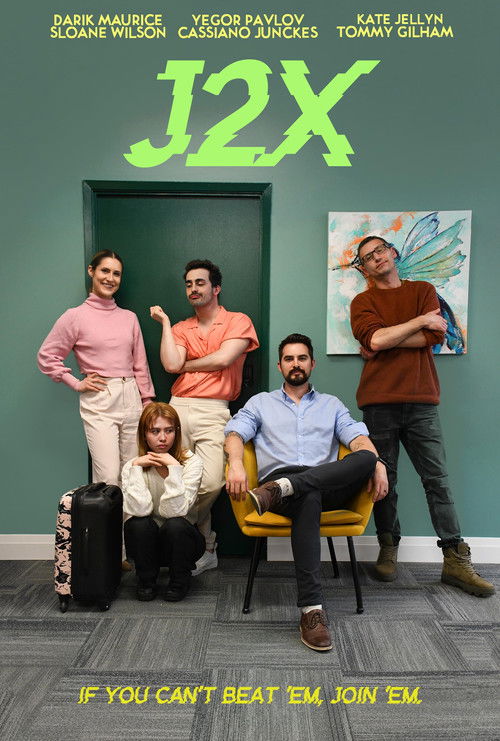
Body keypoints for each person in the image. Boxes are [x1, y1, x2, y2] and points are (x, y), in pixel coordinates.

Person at [350, 236, 494, 596]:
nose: (376, 258)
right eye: (367, 257)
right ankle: (388, 548)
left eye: (379, 250)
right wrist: (416, 323)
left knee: (437, 480)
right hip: (378, 402)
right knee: (384, 481)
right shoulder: (362, 302)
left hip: (421, 402)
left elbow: (430, 337)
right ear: (364, 269)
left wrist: (386, 339)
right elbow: (375, 340)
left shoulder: (423, 290)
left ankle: (455, 559)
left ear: (392, 252)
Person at [224, 333, 387, 651]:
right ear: (280, 365)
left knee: (367, 458)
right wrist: (236, 463)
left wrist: (377, 464)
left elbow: (358, 440)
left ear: (312, 363)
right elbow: (234, 433)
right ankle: (312, 611)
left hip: (319, 487)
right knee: (307, 497)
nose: (295, 364)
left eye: (301, 358)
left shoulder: (331, 405)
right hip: (284, 485)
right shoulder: (260, 403)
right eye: (289, 359)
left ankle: (287, 488)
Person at [150, 259, 259, 575]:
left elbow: (224, 359)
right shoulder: (180, 328)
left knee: (210, 481)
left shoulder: (238, 321)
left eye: (200, 282)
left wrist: (187, 366)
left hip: (214, 409)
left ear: (216, 287)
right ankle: (205, 547)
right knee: (177, 478)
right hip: (178, 407)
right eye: (189, 284)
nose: (193, 289)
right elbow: (171, 364)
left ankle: (170, 525)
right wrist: (165, 323)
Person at [37, 250, 155, 486]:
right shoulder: (75, 316)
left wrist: (147, 401)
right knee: (109, 477)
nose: (110, 278)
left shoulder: (129, 318)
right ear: (91, 271)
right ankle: (105, 513)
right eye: (105, 271)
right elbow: (47, 356)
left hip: (132, 396)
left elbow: (140, 364)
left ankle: (129, 514)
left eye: (116, 274)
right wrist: (76, 383)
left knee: (133, 475)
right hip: (100, 400)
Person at [122, 402, 204, 601]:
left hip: (183, 542)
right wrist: (136, 469)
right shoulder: (132, 466)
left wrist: (174, 468)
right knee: (137, 523)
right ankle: (146, 582)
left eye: (169, 430)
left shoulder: (192, 462)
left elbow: (175, 512)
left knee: (175, 525)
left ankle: (179, 582)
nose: (162, 438)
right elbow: (139, 510)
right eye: (155, 431)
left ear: (177, 432)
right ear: (144, 434)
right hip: (147, 545)